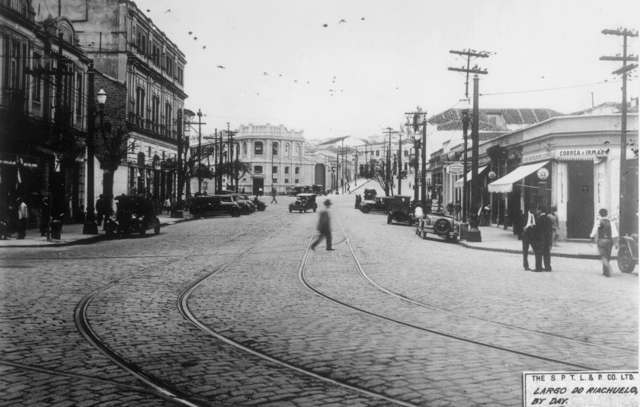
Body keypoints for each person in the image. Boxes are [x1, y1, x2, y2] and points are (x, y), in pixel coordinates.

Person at [590, 208, 618, 277]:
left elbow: (594, 230)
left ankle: (608, 270)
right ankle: (605, 271)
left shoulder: (598, 221)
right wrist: (615, 242)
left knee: (603, 256)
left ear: (600, 214)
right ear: (607, 214)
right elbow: (615, 233)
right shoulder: (611, 222)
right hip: (609, 241)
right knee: (608, 256)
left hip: (601, 241)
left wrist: (591, 236)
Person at [532, 207, 553, 272]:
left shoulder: (539, 219)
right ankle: (547, 267)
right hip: (547, 239)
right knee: (547, 253)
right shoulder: (549, 219)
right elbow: (550, 231)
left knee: (538, 253)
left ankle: (538, 267)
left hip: (540, 239)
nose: (537, 211)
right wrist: (550, 240)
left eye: (538, 210)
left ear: (540, 211)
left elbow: (536, 230)